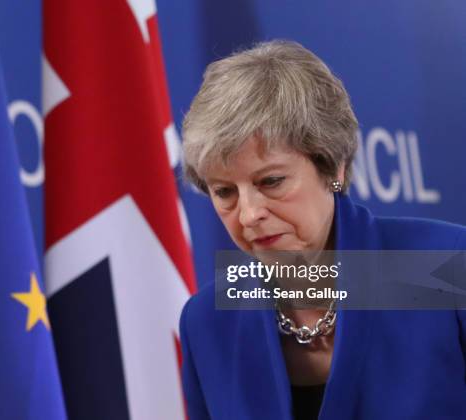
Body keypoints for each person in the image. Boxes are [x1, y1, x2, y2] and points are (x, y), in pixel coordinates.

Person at [179, 40, 466, 420]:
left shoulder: (448, 266)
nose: (248, 215)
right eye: (224, 192)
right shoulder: (208, 321)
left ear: (333, 168)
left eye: (271, 181)